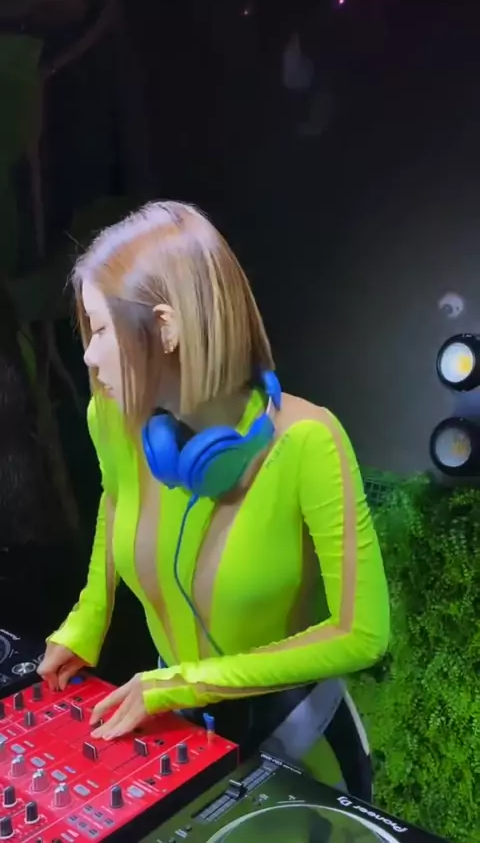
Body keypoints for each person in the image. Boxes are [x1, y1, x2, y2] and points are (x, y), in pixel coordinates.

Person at [37, 201, 389, 800]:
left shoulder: (309, 440)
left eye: (100, 331)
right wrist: (87, 619)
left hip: (297, 736)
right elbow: (115, 501)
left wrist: (187, 683)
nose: (89, 356)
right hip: (177, 723)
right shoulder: (112, 418)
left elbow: (363, 633)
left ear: (166, 327)